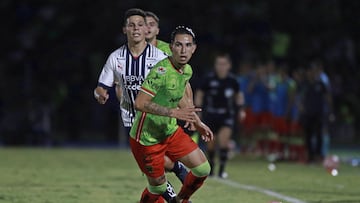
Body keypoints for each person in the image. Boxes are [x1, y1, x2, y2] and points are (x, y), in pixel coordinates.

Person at [93, 8, 188, 202]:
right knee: (151, 167)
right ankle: (175, 192)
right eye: (131, 25)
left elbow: (175, 86)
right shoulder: (116, 58)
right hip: (132, 121)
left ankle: (175, 180)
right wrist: (100, 94)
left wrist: (188, 111)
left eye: (140, 25)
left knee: (155, 166)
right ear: (124, 30)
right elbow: (101, 86)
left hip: (157, 117)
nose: (136, 28)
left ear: (146, 30)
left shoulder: (160, 57)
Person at [130, 26, 213, 203]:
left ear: (194, 48)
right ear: (171, 47)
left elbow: (179, 95)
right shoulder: (160, 72)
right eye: (178, 45)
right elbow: (139, 103)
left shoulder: (187, 70)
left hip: (169, 132)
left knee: (203, 169)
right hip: (147, 138)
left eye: (187, 45)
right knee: (158, 188)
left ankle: (179, 200)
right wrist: (173, 112)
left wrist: (197, 122)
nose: (183, 50)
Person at [195, 52, 245, 178]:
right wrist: (197, 111)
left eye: (224, 64)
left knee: (223, 142)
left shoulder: (232, 80)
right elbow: (199, 94)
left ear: (229, 65)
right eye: (218, 64)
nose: (221, 67)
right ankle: (211, 168)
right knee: (211, 145)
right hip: (211, 115)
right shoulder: (209, 79)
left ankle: (222, 170)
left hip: (226, 115)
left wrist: (241, 109)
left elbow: (239, 95)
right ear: (215, 65)